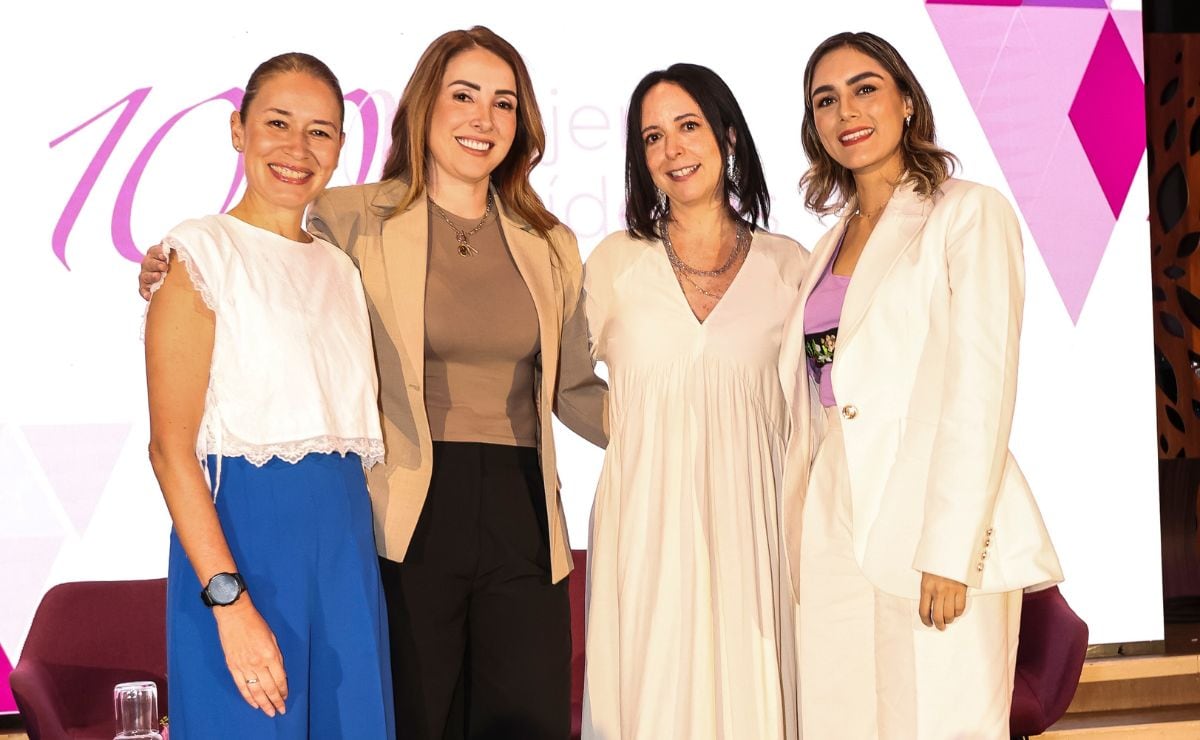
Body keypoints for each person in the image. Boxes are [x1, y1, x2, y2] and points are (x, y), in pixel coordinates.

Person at [140, 26, 606, 740]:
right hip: (405, 512)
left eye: (504, 103)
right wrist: (168, 267)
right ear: (424, 107)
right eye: (463, 95)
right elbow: (257, 253)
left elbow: (574, 387)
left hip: (521, 513)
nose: (483, 118)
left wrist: (683, 425)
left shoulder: (551, 242)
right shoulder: (347, 217)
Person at [777, 32, 1064, 738]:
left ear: (907, 100)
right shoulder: (826, 246)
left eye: (865, 87)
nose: (846, 109)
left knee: (940, 722)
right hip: (835, 517)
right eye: (825, 99)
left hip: (931, 521)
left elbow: (980, 388)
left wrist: (950, 549)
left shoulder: (967, 212)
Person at [144, 53, 393, 738]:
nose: (297, 148)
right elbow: (169, 452)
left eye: (320, 131)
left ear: (342, 147)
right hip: (243, 556)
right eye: (277, 123)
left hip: (344, 559)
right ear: (238, 129)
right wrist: (229, 604)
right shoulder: (199, 251)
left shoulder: (341, 269)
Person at [581, 63, 805, 740]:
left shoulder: (791, 266)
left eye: (689, 127)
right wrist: (641, 442)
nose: (673, 149)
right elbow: (556, 384)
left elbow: (821, 405)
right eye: (653, 138)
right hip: (646, 528)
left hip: (757, 527)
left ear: (728, 137)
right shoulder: (615, 263)